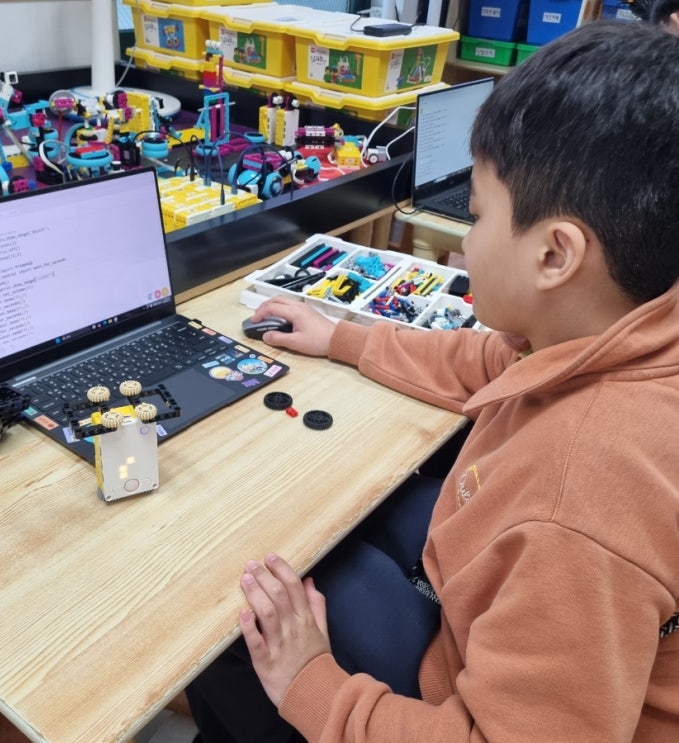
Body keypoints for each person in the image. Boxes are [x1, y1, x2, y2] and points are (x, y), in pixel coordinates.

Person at [186, 20, 679, 742]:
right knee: (356, 526)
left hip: (472, 706)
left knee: (236, 612)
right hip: (520, 634)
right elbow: (492, 363)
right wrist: (342, 338)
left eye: (476, 215)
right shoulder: (629, 327)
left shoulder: (575, 506)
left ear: (555, 256)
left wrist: (310, 684)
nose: (466, 239)